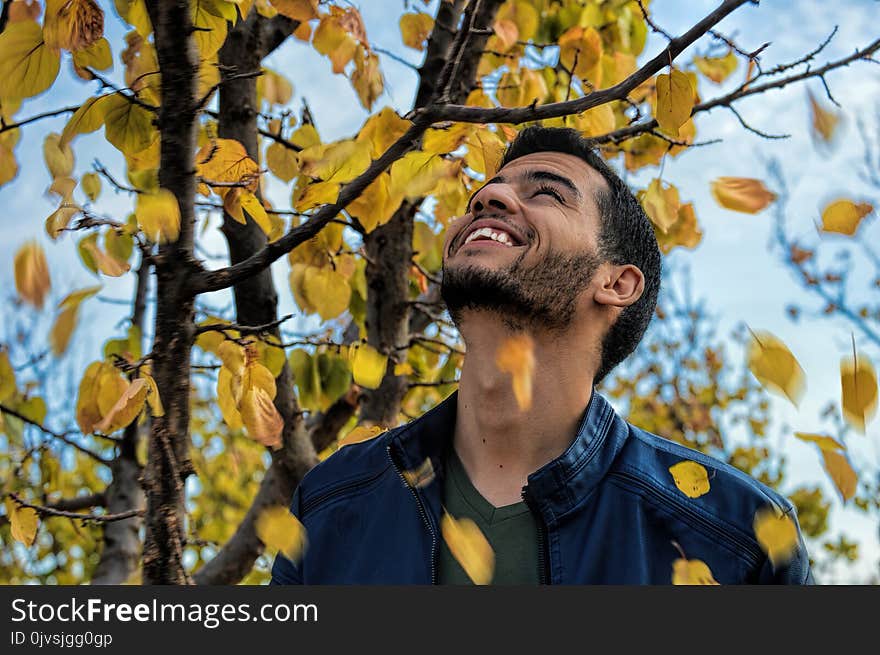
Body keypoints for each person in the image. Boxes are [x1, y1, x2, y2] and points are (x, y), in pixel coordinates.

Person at [270, 126, 813, 585]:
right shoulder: (329, 505)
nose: (488, 199)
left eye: (547, 194)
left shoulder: (740, 538)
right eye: (483, 195)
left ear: (618, 283)